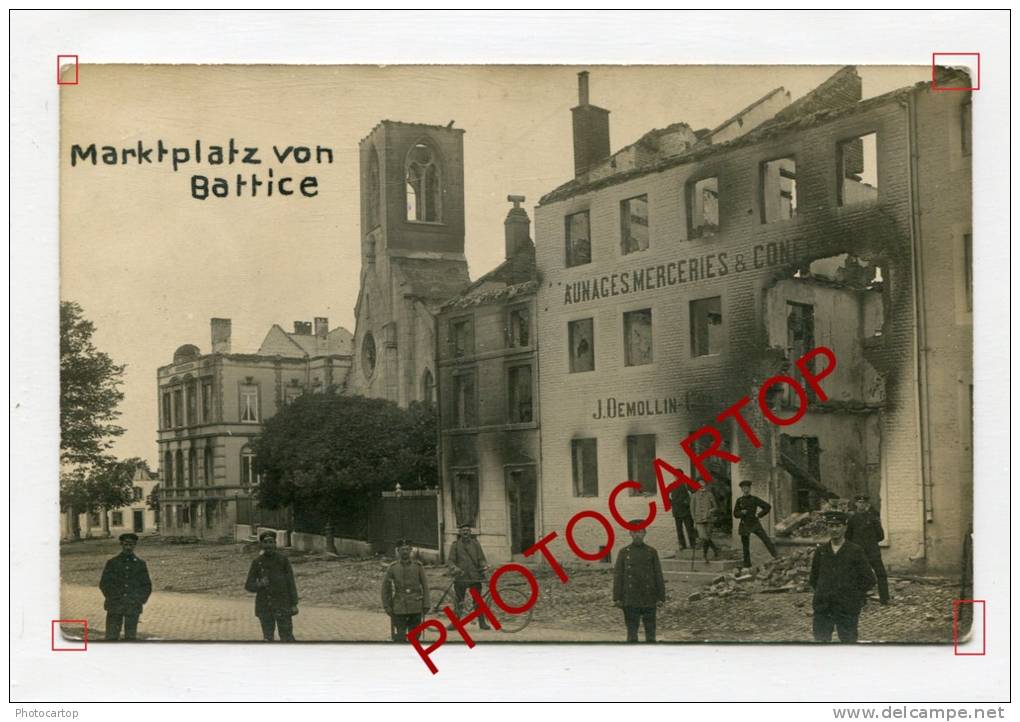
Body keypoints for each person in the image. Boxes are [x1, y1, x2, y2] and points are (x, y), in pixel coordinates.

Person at [809, 511, 877, 643]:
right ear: (827, 527)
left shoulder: (855, 550)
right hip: (824, 607)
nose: (834, 529)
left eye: (838, 526)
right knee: (821, 643)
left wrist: (853, 595)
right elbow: (814, 578)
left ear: (845, 527)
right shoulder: (821, 551)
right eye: (831, 525)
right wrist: (823, 592)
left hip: (846, 607)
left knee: (848, 643)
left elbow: (869, 579)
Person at [612, 522, 666, 643]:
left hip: (649, 597)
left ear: (644, 533)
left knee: (651, 634)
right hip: (631, 598)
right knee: (631, 634)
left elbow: (658, 574)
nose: (637, 535)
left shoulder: (651, 552)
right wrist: (617, 597)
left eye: (640, 532)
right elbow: (618, 576)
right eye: (635, 532)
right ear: (630, 534)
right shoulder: (624, 552)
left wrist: (660, 597)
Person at [244, 531, 299, 641]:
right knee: (268, 637)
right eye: (266, 542)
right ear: (261, 545)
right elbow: (249, 585)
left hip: (283, 604)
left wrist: (293, 604)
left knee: (287, 636)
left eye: (271, 542)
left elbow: (290, 583)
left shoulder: (283, 560)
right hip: (265, 605)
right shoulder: (257, 562)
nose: (269, 545)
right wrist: (260, 584)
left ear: (275, 544)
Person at [99, 532, 152, 641]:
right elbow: (104, 583)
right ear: (121, 544)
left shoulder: (140, 564)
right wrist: (113, 597)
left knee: (131, 637)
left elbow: (146, 585)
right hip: (115, 605)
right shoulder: (112, 563)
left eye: (131, 544)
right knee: (111, 636)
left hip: (132, 605)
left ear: (135, 545)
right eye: (126, 544)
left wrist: (139, 600)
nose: (128, 547)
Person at [382, 538, 430, 642]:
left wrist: (426, 604)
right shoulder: (393, 568)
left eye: (407, 549)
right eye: (402, 549)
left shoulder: (418, 567)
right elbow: (385, 588)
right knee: (400, 636)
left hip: (415, 605)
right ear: (398, 551)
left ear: (410, 550)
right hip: (399, 606)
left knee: (415, 636)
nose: (405, 552)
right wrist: (387, 606)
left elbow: (425, 586)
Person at [846, 494, 890, 605]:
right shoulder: (852, 519)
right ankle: (861, 600)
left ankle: (884, 599)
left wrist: (870, 541)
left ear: (867, 504)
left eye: (864, 502)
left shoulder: (873, 518)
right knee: (859, 575)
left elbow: (881, 536)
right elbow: (848, 537)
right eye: (859, 502)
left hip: (873, 552)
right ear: (856, 504)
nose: (861, 504)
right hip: (859, 553)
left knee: (881, 574)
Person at [447, 524, 490, 630]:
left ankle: (482, 622)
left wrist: (484, 565)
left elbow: (481, 558)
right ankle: (455, 623)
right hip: (461, 577)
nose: (465, 532)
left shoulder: (475, 544)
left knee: (478, 600)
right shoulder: (455, 545)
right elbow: (451, 561)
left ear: (470, 532)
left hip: (474, 576)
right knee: (459, 601)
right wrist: (454, 568)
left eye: (467, 530)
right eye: (463, 530)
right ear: (460, 533)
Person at [732, 480, 778, 569]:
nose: (746, 489)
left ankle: (776, 556)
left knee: (766, 539)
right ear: (741, 489)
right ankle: (747, 565)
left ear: (750, 488)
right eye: (744, 488)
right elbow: (735, 514)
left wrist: (759, 515)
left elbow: (767, 507)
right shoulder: (739, 500)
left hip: (755, 523)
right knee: (745, 546)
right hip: (744, 524)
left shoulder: (754, 499)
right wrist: (741, 512)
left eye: (747, 487)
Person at [691, 484, 719, 562]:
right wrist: (694, 520)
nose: (701, 485)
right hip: (699, 520)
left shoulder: (710, 494)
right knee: (704, 537)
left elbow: (715, 507)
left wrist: (710, 511)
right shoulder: (694, 496)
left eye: (703, 483)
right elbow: (692, 510)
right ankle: (714, 549)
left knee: (707, 538)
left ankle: (705, 555)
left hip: (709, 519)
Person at [669, 485, 697, 553]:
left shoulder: (687, 486)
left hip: (686, 512)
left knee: (689, 528)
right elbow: (668, 498)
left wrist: (686, 503)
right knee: (679, 530)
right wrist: (673, 504)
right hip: (677, 512)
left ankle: (693, 544)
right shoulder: (672, 487)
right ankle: (682, 545)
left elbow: (692, 497)